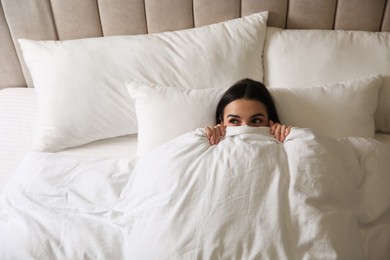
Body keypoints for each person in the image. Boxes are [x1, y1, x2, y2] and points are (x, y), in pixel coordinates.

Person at [205, 78, 293, 145]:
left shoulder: (285, 142)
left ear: (270, 121)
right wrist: (207, 137)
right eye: (234, 121)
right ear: (221, 122)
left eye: (256, 121)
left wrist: (288, 135)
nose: (246, 128)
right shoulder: (206, 143)